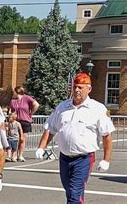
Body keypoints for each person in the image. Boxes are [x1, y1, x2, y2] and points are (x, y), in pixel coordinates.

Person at [36, 72, 115, 204]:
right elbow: (50, 128)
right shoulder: (62, 107)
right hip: (65, 158)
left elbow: (107, 135)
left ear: (89, 89)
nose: (77, 90)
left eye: (80, 87)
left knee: (74, 193)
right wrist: (41, 147)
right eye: (75, 87)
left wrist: (106, 160)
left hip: (84, 158)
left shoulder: (97, 108)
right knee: (70, 192)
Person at [10, 86, 39, 161]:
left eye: (14, 92)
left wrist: (31, 113)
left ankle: (20, 155)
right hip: (16, 121)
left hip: (25, 120)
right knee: (15, 138)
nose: (13, 93)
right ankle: (14, 155)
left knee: (22, 139)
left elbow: (36, 104)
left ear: (17, 92)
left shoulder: (26, 98)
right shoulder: (13, 101)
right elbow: (12, 111)